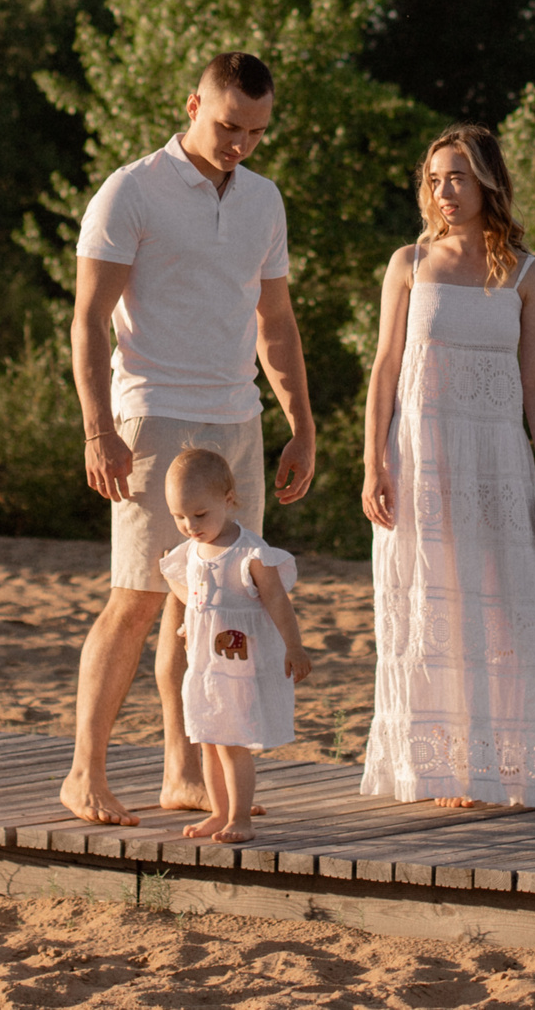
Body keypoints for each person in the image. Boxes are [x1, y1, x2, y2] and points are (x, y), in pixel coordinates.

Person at [58, 51, 317, 828]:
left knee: (209, 603)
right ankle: (84, 773)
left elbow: (275, 321)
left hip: (235, 416)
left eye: (257, 130)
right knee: (137, 600)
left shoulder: (264, 200)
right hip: (152, 415)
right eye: (230, 124)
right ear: (194, 101)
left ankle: (185, 772)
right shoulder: (130, 189)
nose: (242, 142)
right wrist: (97, 428)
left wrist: (301, 423)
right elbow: (87, 318)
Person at [357, 123, 535, 809]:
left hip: (498, 462)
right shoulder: (410, 262)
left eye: (460, 176)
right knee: (430, 601)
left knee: (500, 607)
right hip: (420, 455)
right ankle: (440, 767)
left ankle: (497, 765)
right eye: (436, 177)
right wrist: (371, 462)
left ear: (489, 182)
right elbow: (385, 366)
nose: (445, 190)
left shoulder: (528, 274)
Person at [158, 447, 309, 843]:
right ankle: (218, 811)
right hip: (205, 667)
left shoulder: (250, 552)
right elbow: (182, 585)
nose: (189, 525)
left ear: (227, 500)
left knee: (233, 745)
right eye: (179, 516)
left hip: (240, 669)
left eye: (199, 514)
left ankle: (241, 816)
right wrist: (193, 614)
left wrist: (294, 646)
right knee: (208, 740)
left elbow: (277, 599)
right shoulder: (192, 549)